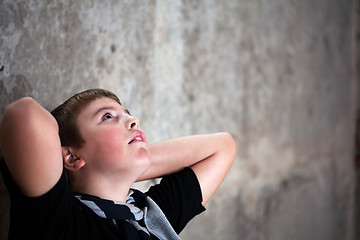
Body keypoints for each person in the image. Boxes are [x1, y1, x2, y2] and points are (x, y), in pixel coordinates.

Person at [0, 88, 236, 239]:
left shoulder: (150, 217)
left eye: (127, 113)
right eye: (108, 116)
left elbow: (223, 147)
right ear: (72, 157)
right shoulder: (63, 222)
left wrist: (126, 168)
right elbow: (25, 115)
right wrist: (121, 166)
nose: (134, 120)